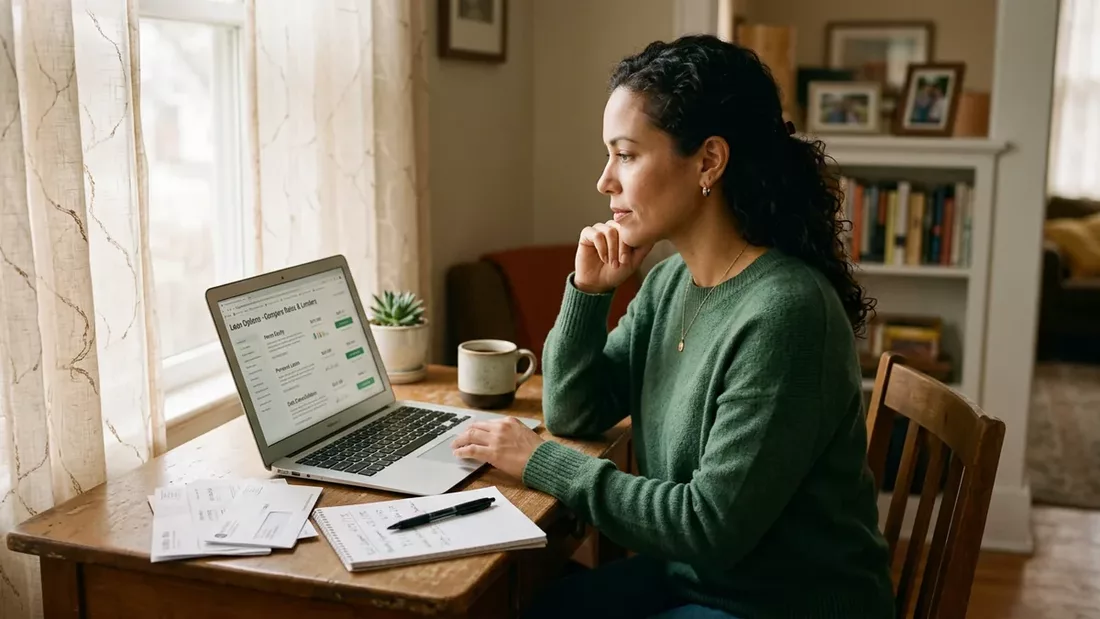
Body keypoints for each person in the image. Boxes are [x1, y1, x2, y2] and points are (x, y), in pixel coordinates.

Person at [451, 34, 895, 619]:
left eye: (627, 154)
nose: (605, 181)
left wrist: (539, 462)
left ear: (709, 160)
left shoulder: (786, 313)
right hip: (694, 581)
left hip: (780, 605)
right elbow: (573, 410)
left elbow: (708, 526)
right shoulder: (668, 284)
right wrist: (589, 294)